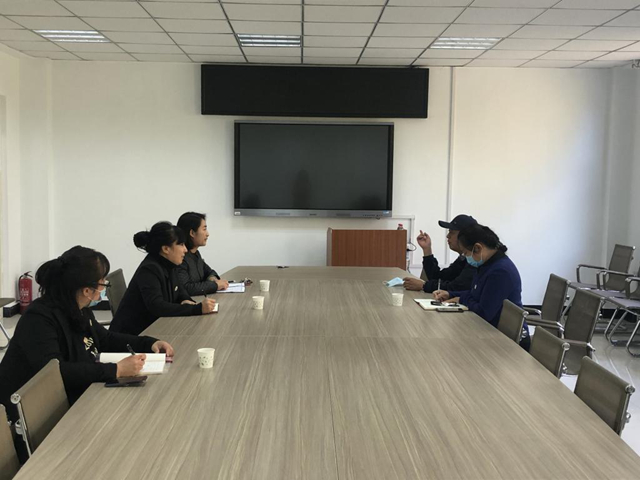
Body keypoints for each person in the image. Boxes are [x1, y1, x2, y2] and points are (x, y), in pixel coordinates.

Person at [0, 246, 175, 426]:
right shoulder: (39, 319)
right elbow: (55, 373)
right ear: (86, 290)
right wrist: (116, 370)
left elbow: (105, 339)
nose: (104, 284)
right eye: (102, 281)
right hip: (30, 415)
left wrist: (149, 344)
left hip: (70, 398)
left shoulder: (78, 308)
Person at [433, 224, 530, 350]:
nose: (466, 257)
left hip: (508, 341)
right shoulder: (486, 265)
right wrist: (451, 294)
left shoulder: (500, 271)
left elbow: (483, 312)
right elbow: (475, 294)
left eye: (466, 253)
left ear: (478, 248)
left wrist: (460, 299)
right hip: (489, 330)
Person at [109, 222, 216, 335]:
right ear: (165, 249)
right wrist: (197, 309)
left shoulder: (169, 264)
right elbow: (157, 306)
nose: (185, 249)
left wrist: (184, 299)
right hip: (131, 336)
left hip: (154, 329)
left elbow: (180, 290)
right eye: (181, 244)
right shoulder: (149, 269)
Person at [403, 214, 478, 293]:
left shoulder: (474, 261)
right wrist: (427, 249)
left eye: (452, 232)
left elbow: (457, 287)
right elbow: (437, 277)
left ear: (465, 236)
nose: (447, 236)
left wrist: (424, 285)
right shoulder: (462, 258)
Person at [176, 212, 229, 296]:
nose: (207, 234)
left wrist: (213, 278)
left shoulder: (196, 253)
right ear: (192, 233)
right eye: (204, 229)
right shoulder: (180, 257)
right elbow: (186, 288)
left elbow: (210, 272)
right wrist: (215, 285)